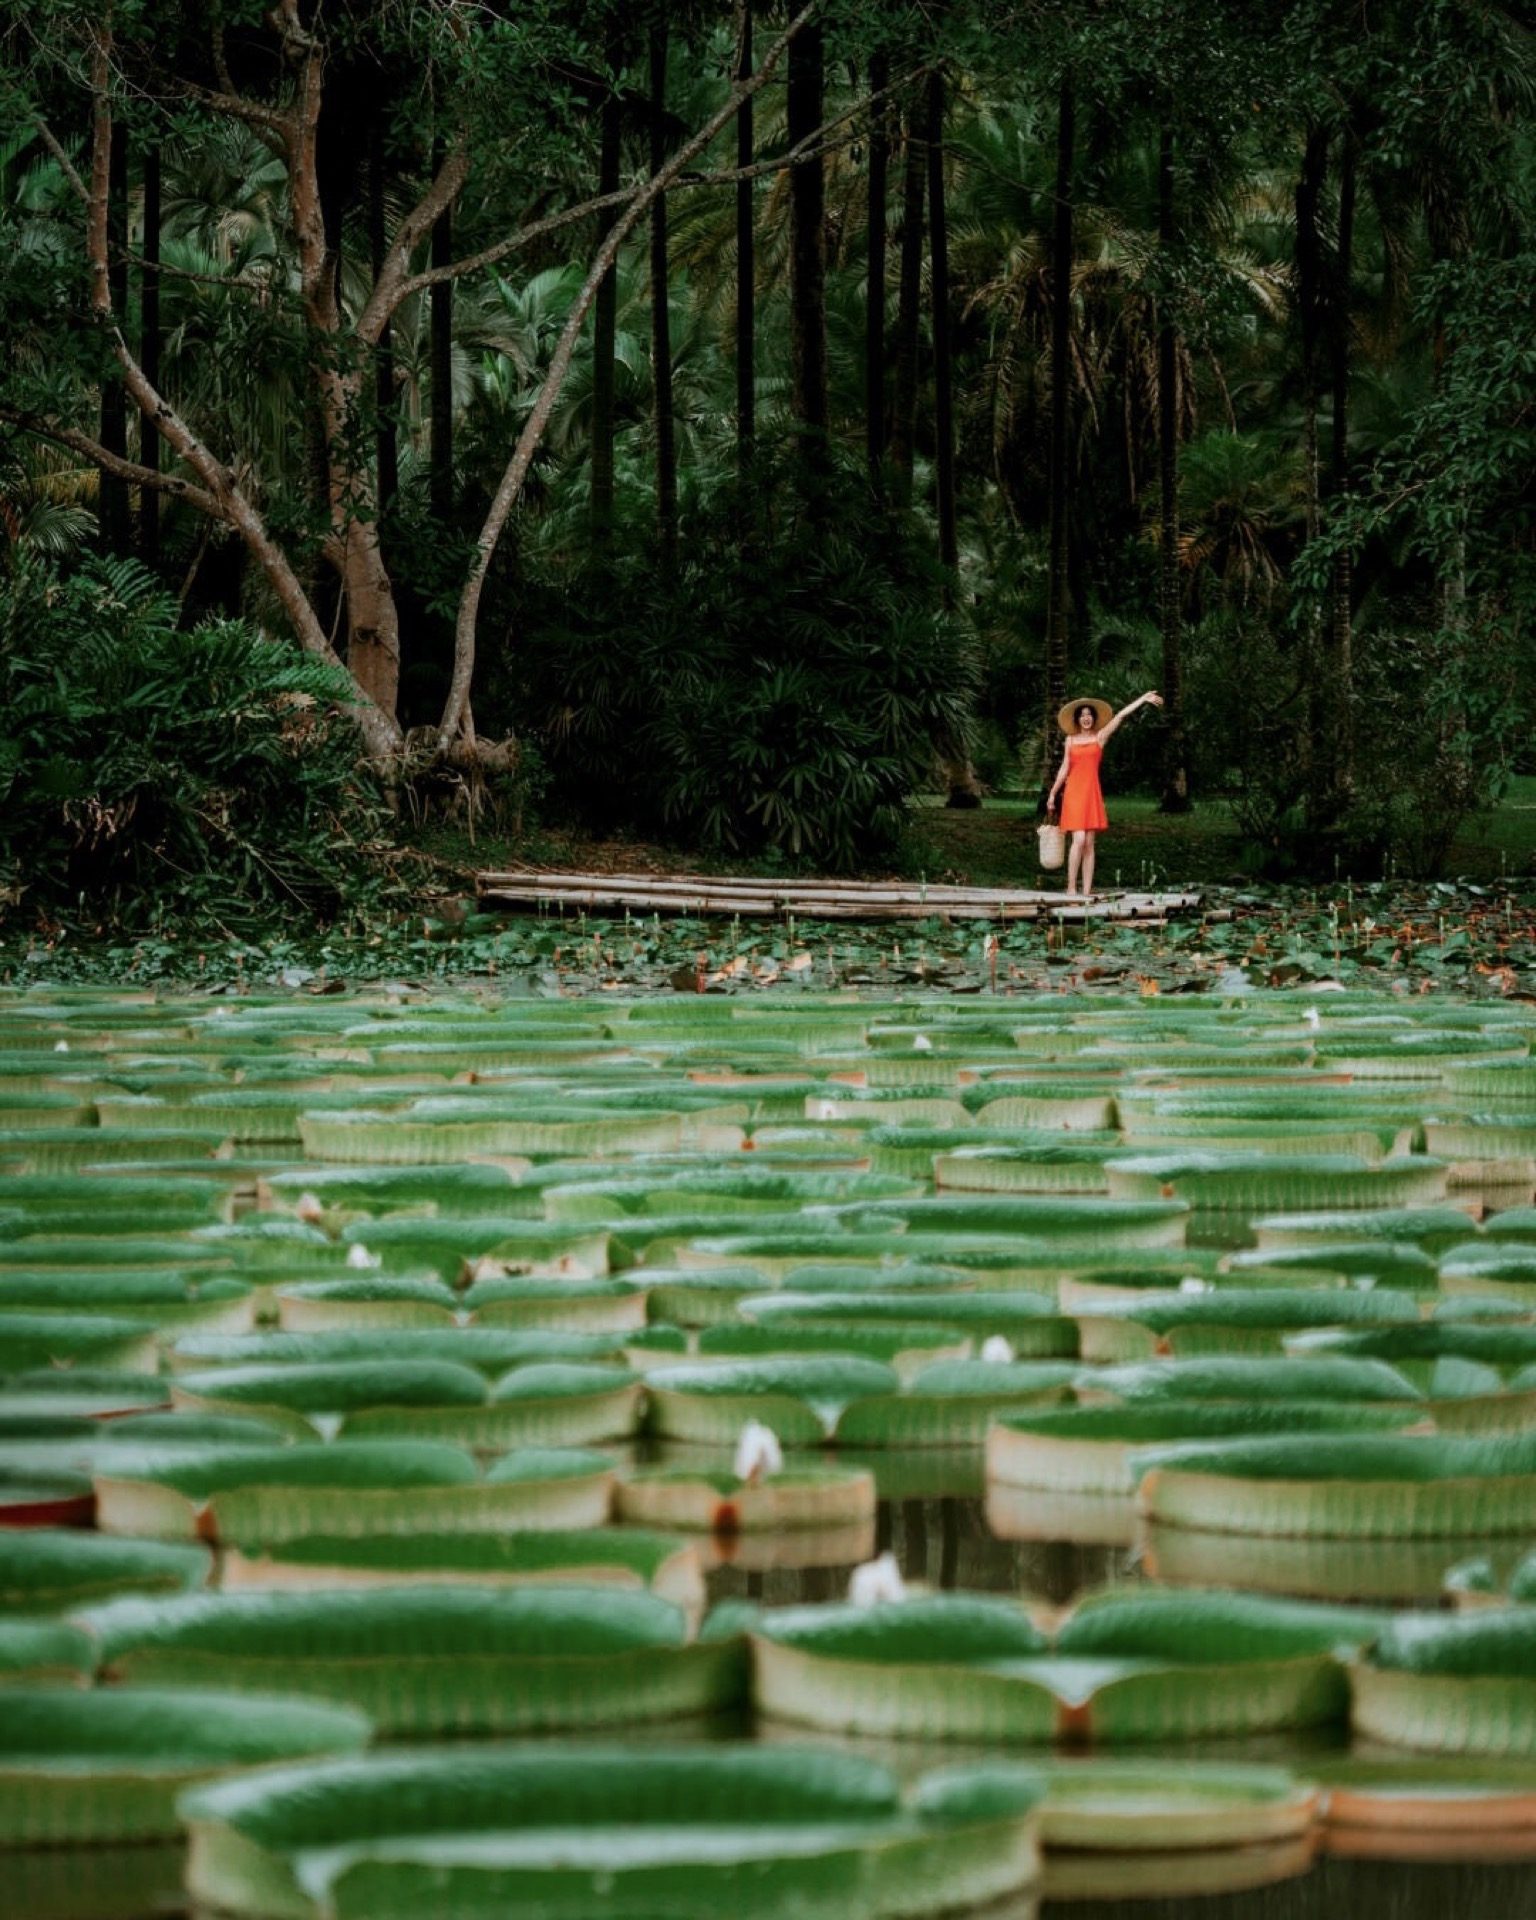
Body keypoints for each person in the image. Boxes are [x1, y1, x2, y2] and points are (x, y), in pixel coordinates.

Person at [1046, 690, 1164, 897]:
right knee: (1079, 839)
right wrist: (1053, 794)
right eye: (1082, 714)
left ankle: (1087, 891)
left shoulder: (1100, 738)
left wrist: (1143, 700)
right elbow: (1064, 768)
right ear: (1077, 719)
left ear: (1093, 718)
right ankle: (1071, 887)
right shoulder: (1070, 740)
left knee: (1090, 844)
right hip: (1073, 792)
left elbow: (1120, 716)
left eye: (1089, 714)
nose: (1086, 717)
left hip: (1091, 793)